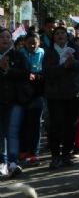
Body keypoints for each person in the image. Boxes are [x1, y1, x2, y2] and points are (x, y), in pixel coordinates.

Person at [42, 25, 79, 169]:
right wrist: (63, 67)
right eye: (57, 34)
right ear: (53, 37)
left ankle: (66, 155)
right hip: (55, 95)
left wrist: (73, 63)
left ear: (67, 36)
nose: (60, 36)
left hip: (73, 93)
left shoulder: (75, 49)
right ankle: (55, 156)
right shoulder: (49, 52)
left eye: (63, 33)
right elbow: (47, 71)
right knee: (55, 125)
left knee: (71, 125)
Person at [0, 28, 31, 178]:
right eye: (2, 37)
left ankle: (12, 162)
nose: (5, 39)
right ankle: (2, 162)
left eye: (7, 37)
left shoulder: (18, 55)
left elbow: (27, 74)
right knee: (1, 133)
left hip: (15, 100)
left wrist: (8, 70)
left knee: (12, 132)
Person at [19, 32, 45, 166]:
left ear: (39, 43)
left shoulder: (43, 54)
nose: (32, 45)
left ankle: (34, 153)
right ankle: (23, 151)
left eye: (34, 42)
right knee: (23, 123)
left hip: (37, 94)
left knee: (35, 125)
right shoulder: (19, 54)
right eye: (29, 43)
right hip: (22, 95)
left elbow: (46, 73)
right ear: (25, 43)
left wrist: (37, 77)